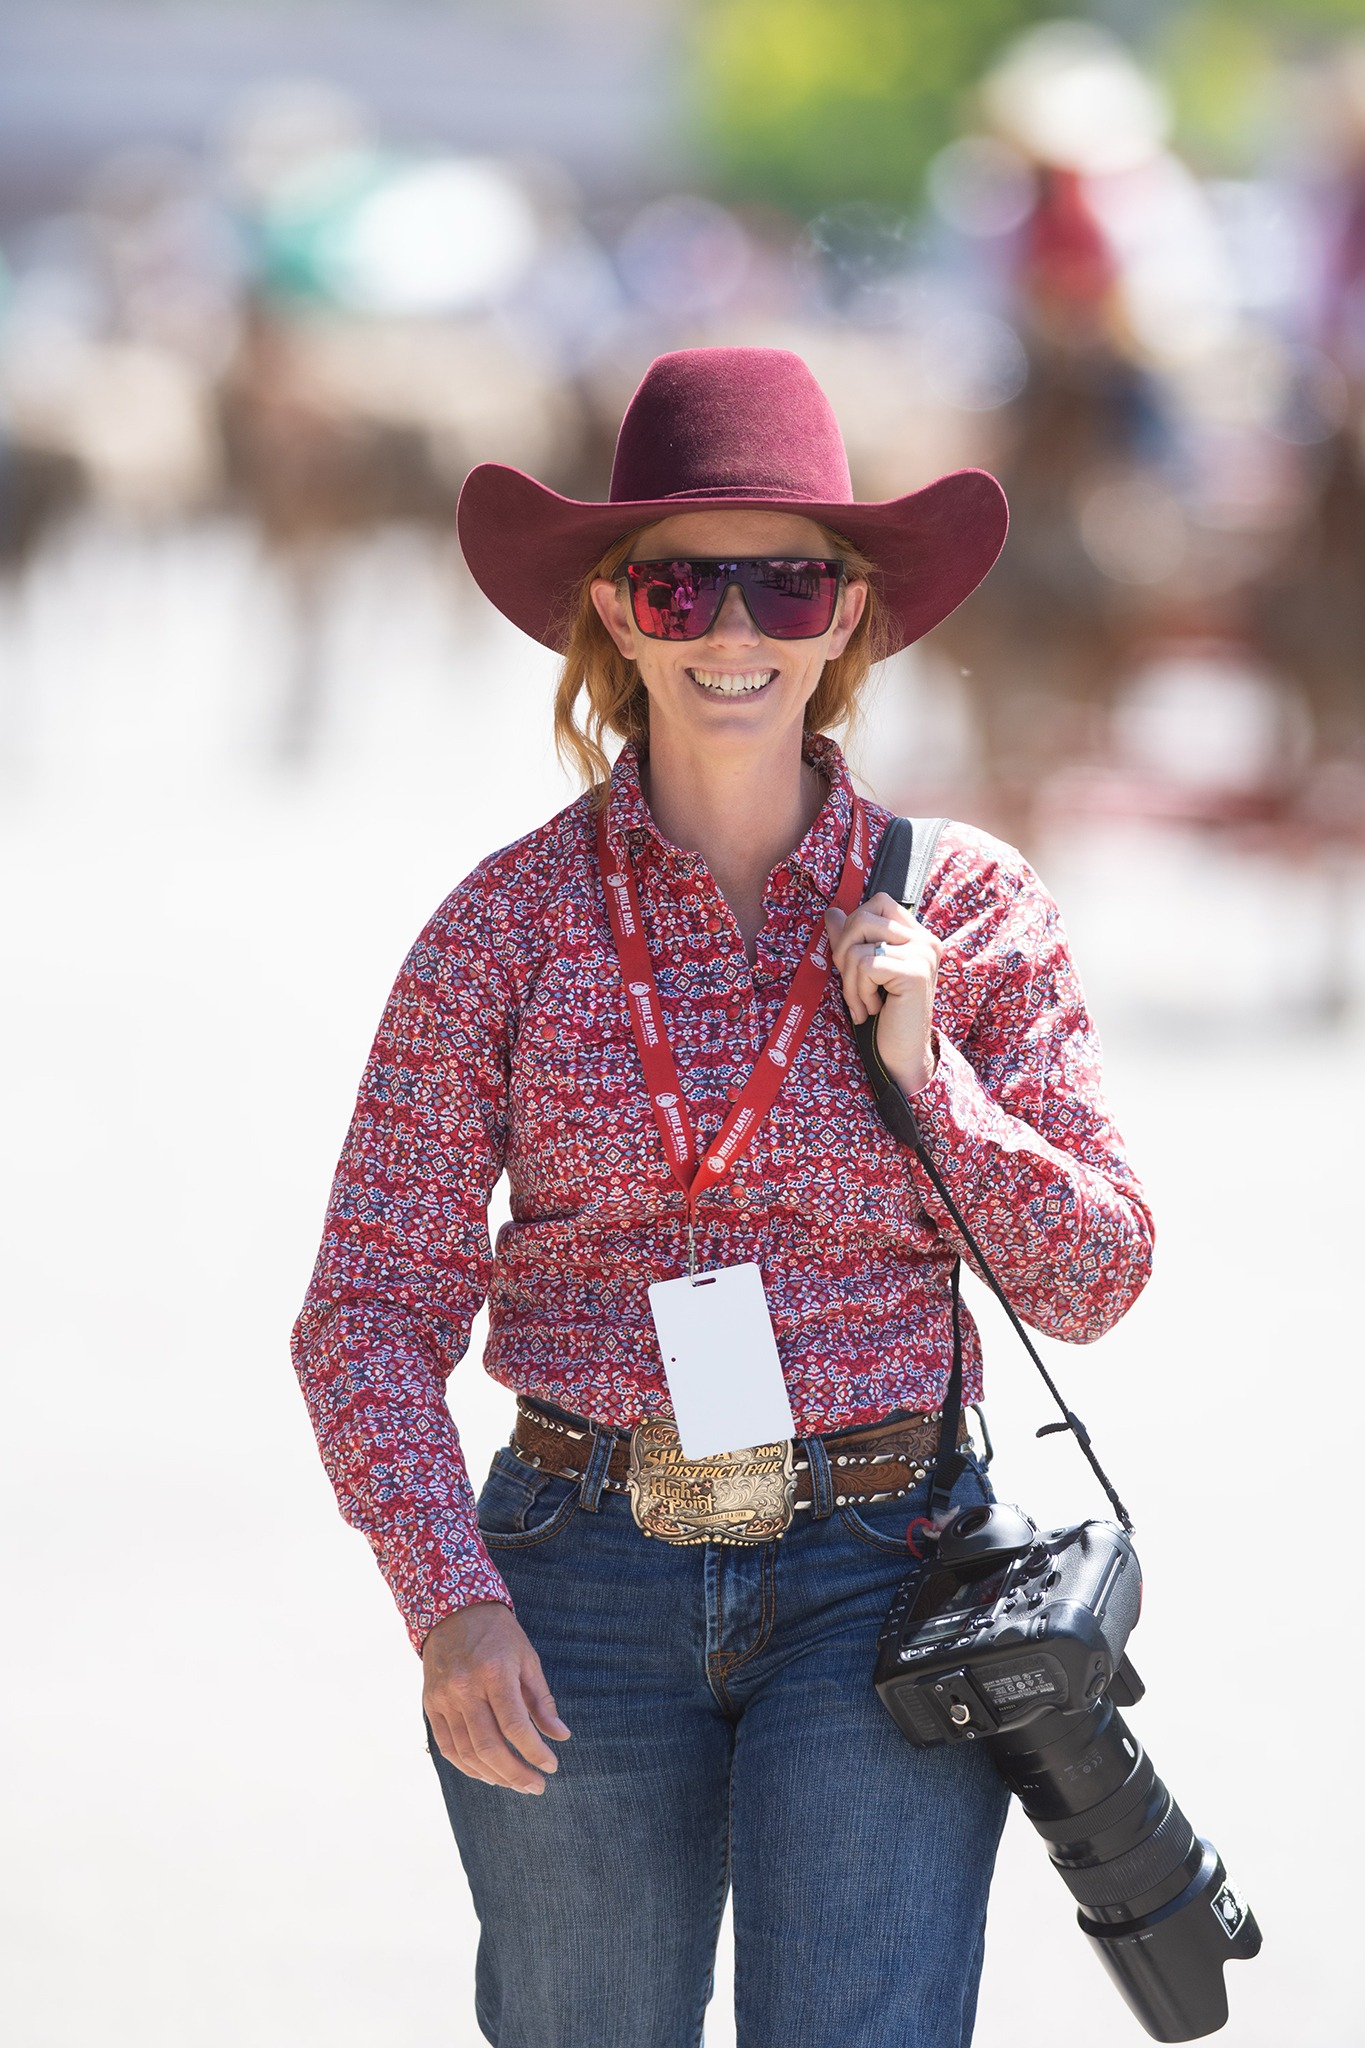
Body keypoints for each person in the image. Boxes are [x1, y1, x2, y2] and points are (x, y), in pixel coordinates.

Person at [292, 346, 1153, 2048]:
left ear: (848, 620)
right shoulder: (502, 927)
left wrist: (928, 1077)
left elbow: (1095, 1277)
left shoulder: (971, 910)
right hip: (574, 1585)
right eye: (683, 586)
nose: (734, 630)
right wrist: (448, 1600)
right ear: (620, 615)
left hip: (882, 1571)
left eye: (788, 584)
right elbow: (368, 1310)